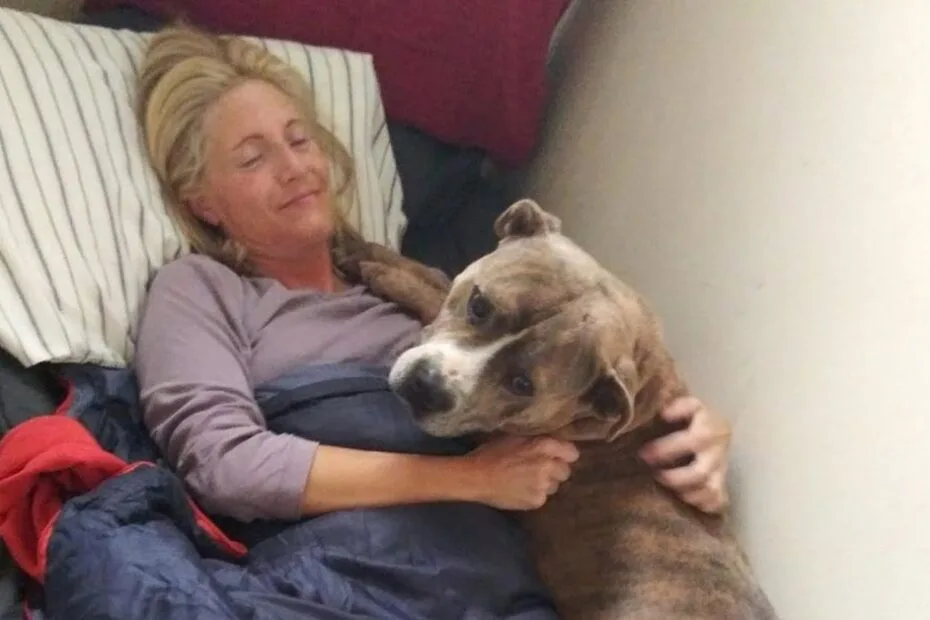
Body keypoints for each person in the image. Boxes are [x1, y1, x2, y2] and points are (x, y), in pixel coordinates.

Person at [132, 23, 733, 527]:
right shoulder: (198, 289)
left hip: (493, 562)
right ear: (203, 203)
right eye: (253, 158)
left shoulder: (426, 294)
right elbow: (227, 466)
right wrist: (470, 479)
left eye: (299, 140)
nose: (295, 168)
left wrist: (686, 431)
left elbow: (558, 400)